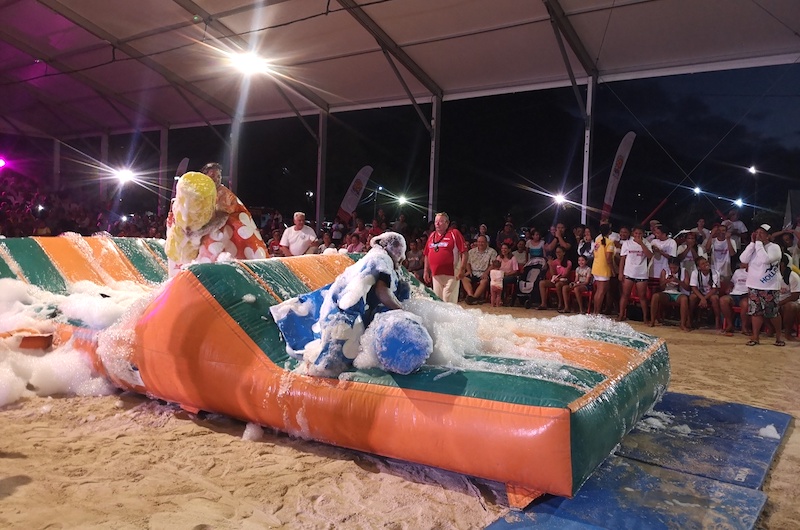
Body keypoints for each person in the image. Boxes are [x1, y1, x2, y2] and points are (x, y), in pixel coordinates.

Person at [165, 162, 267, 276]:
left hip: (228, 229)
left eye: (219, 176)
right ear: (204, 177)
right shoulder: (199, 192)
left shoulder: (223, 193)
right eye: (213, 175)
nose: (217, 179)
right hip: (207, 229)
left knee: (210, 249)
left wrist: (199, 232)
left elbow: (221, 218)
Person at [739, 224, 783, 347]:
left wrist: (758, 244)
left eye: (761, 233)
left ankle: (778, 337)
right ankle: (755, 337)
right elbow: (743, 259)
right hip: (754, 285)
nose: (758, 235)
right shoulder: (754, 246)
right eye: (757, 232)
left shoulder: (775, 247)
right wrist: (752, 244)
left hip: (770, 286)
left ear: (768, 236)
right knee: (755, 312)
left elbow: (765, 260)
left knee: (772, 313)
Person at [423, 212, 468, 303]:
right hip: (436, 274)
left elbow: (464, 252)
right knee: (438, 301)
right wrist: (426, 271)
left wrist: (462, 269)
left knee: (448, 299)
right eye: (436, 221)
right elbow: (427, 254)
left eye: (440, 221)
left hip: (452, 273)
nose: (437, 224)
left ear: (447, 223)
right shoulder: (432, 235)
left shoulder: (454, 233)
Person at [618, 225, 653, 322]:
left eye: (640, 233)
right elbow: (622, 259)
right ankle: (621, 315)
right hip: (629, 272)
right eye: (636, 233)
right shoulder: (627, 243)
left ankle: (645, 317)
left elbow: (650, 255)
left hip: (641, 273)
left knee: (642, 296)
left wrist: (641, 243)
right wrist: (620, 273)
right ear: (633, 233)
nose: (637, 235)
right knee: (625, 295)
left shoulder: (646, 243)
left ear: (643, 234)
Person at [649, 257, 691, 330]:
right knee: (655, 296)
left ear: (678, 266)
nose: (673, 270)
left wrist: (678, 281)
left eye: (675, 268)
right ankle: (652, 321)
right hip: (667, 293)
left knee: (684, 299)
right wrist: (666, 281)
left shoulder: (684, 271)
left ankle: (683, 324)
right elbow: (661, 287)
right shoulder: (665, 271)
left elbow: (687, 287)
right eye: (671, 267)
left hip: (679, 293)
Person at [462, 235, 497, 305]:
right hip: (473, 272)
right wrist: (469, 270)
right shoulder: (471, 251)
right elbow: (467, 262)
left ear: (486, 242)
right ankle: (470, 295)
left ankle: (474, 298)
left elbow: (492, 265)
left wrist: (486, 273)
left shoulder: (492, 252)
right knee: (464, 278)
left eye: (482, 242)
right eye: (479, 242)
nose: (480, 243)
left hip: (484, 272)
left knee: (484, 281)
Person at [688, 256, 721, 330]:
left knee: (715, 298)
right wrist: (702, 298)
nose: (706, 264)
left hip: (710, 294)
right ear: (698, 267)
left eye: (706, 262)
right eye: (703, 264)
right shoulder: (695, 273)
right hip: (700, 294)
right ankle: (689, 320)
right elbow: (693, 287)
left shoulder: (715, 273)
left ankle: (718, 322)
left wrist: (704, 299)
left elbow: (714, 289)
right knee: (692, 297)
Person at [591, 223, 616, 315]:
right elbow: (608, 258)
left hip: (596, 267)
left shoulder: (597, 241)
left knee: (598, 291)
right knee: (601, 292)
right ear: (609, 231)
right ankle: (597, 312)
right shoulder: (610, 242)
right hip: (603, 268)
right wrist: (612, 270)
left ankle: (595, 311)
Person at [538, 245, 572, 311]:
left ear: (563, 253)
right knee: (542, 283)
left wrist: (559, 278)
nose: (557, 254)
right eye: (556, 252)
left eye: (559, 252)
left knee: (558, 284)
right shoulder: (555, 262)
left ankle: (560, 303)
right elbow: (553, 274)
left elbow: (566, 274)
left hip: (564, 280)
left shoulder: (568, 262)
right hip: (556, 279)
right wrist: (550, 265)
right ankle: (543, 303)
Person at [720, 261, 749, 336]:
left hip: (746, 294)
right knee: (723, 300)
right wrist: (729, 287)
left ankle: (744, 327)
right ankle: (730, 324)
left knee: (745, 304)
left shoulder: (755, 273)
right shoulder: (738, 271)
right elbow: (732, 282)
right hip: (734, 293)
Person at [777, 253, 800, 340]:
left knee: (790, 306)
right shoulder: (774, 275)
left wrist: (780, 303)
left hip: (792, 302)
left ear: (782, 264)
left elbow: (795, 296)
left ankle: (788, 333)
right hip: (777, 300)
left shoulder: (793, 276)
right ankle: (772, 330)